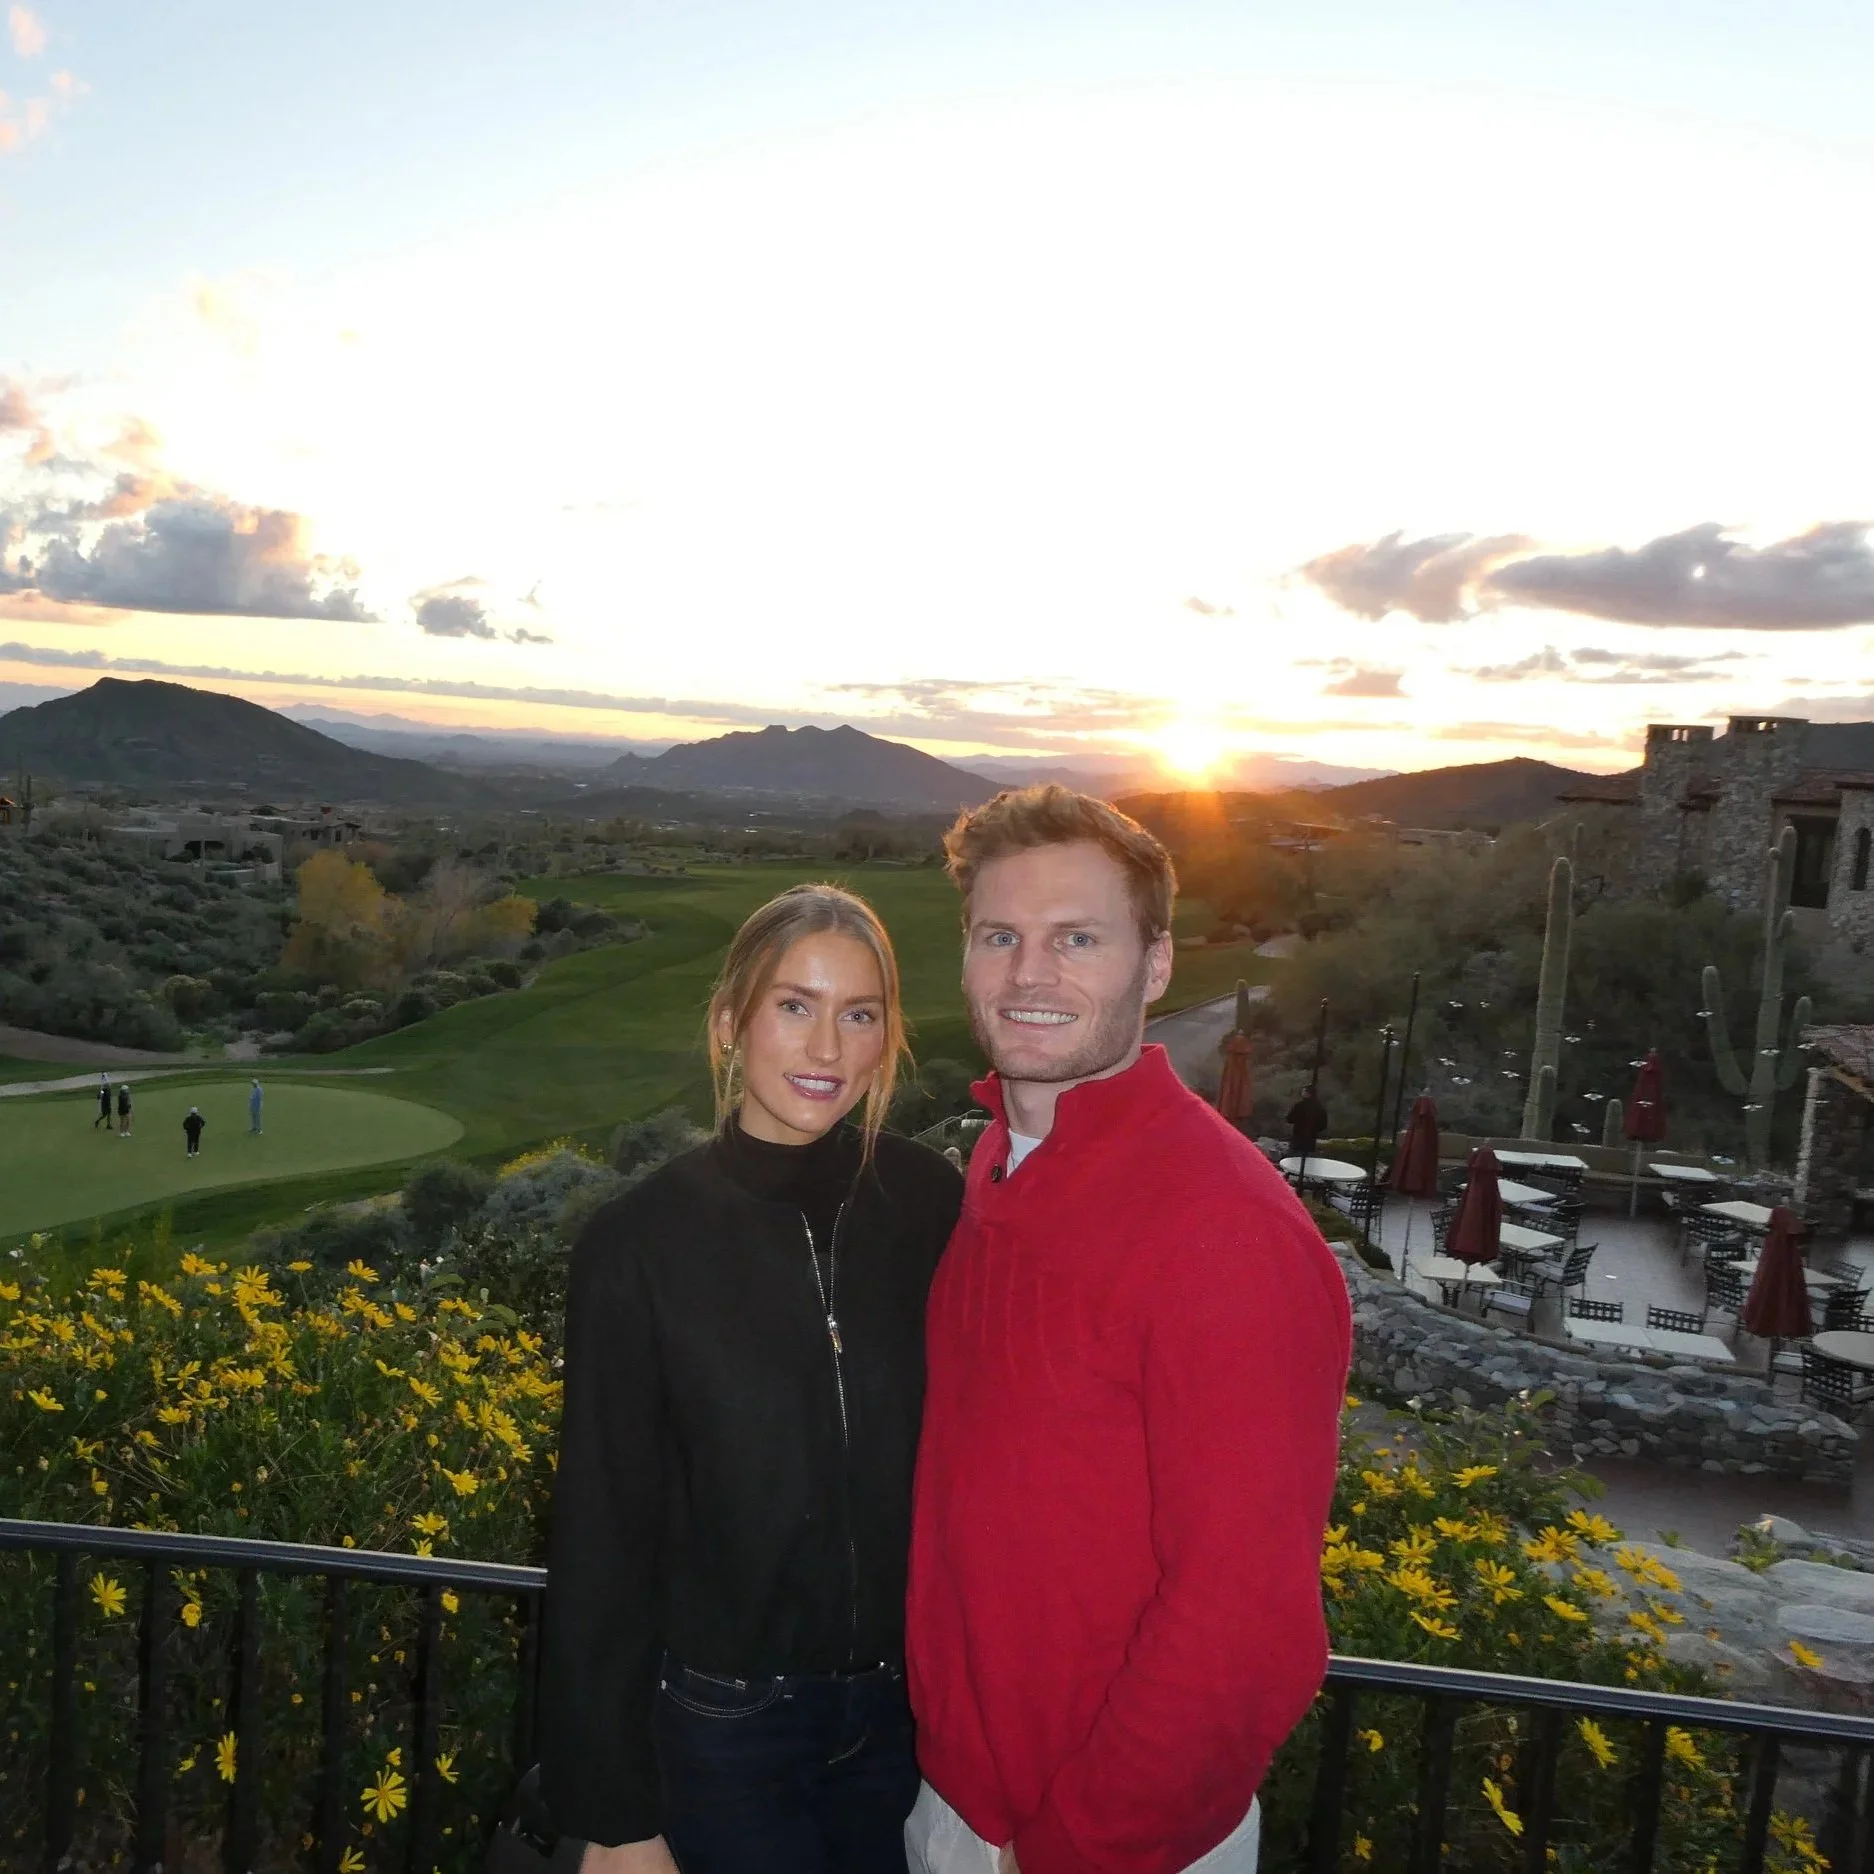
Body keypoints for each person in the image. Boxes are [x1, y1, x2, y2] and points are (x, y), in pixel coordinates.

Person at [905, 787, 1351, 1874]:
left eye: (1077, 939)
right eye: (999, 936)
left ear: (1153, 965)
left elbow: (1247, 1624)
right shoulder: (999, 1167)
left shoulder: (1223, 1229)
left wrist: (1070, 1848)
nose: (1028, 974)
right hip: (950, 1799)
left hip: (1099, 1841)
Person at [540, 884, 963, 1874]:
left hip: (911, 1721)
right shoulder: (636, 1245)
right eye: (794, 1004)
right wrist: (616, 1815)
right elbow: (600, 1533)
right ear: (730, 1021)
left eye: (858, 1013)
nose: (826, 1047)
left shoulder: (928, 1204)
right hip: (724, 1729)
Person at [1286, 1086, 1329, 1164]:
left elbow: (1289, 1119)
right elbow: (1323, 1125)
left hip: (1298, 1137)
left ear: (1307, 1093)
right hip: (1311, 1139)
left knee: (1293, 1161)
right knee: (1308, 1162)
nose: (1302, 1093)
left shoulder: (1299, 1105)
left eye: (1303, 1091)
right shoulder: (1320, 1107)